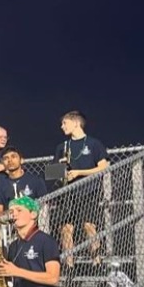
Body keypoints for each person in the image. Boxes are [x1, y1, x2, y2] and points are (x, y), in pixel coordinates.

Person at [53, 110, 109, 266]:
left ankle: (97, 262)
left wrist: (79, 172)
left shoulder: (93, 144)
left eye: (65, 123)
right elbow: (51, 172)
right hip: (67, 194)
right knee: (66, 229)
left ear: (76, 123)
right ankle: (69, 266)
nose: (62, 126)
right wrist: (62, 171)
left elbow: (104, 167)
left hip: (88, 191)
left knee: (89, 226)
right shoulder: (62, 147)